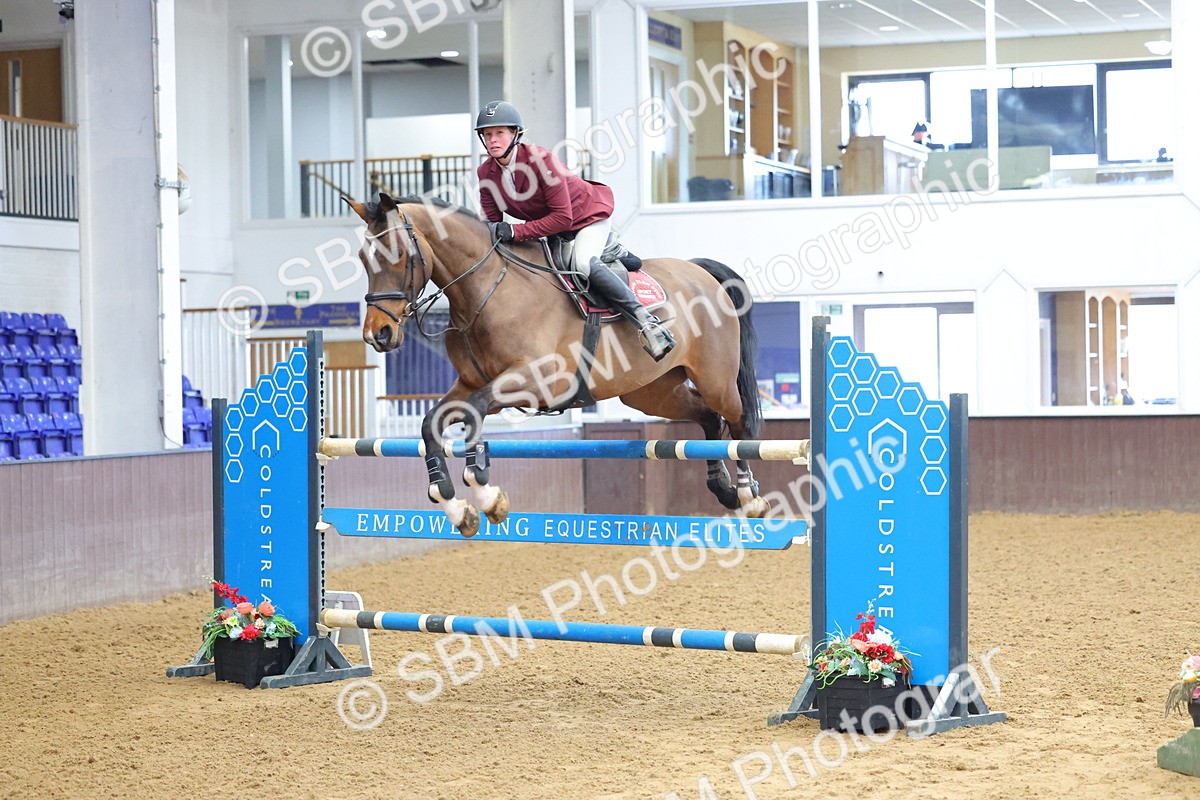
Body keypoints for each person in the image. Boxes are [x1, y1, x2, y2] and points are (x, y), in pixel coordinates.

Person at [473, 100, 675, 361]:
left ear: (515, 134)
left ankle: (648, 324)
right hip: (552, 230)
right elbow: (492, 222)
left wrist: (515, 232)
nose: (492, 140)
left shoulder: (541, 160)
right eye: (487, 134)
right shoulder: (486, 172)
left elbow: (562, 217)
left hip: (586, 218)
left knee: (582, 263)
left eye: (499, 133)